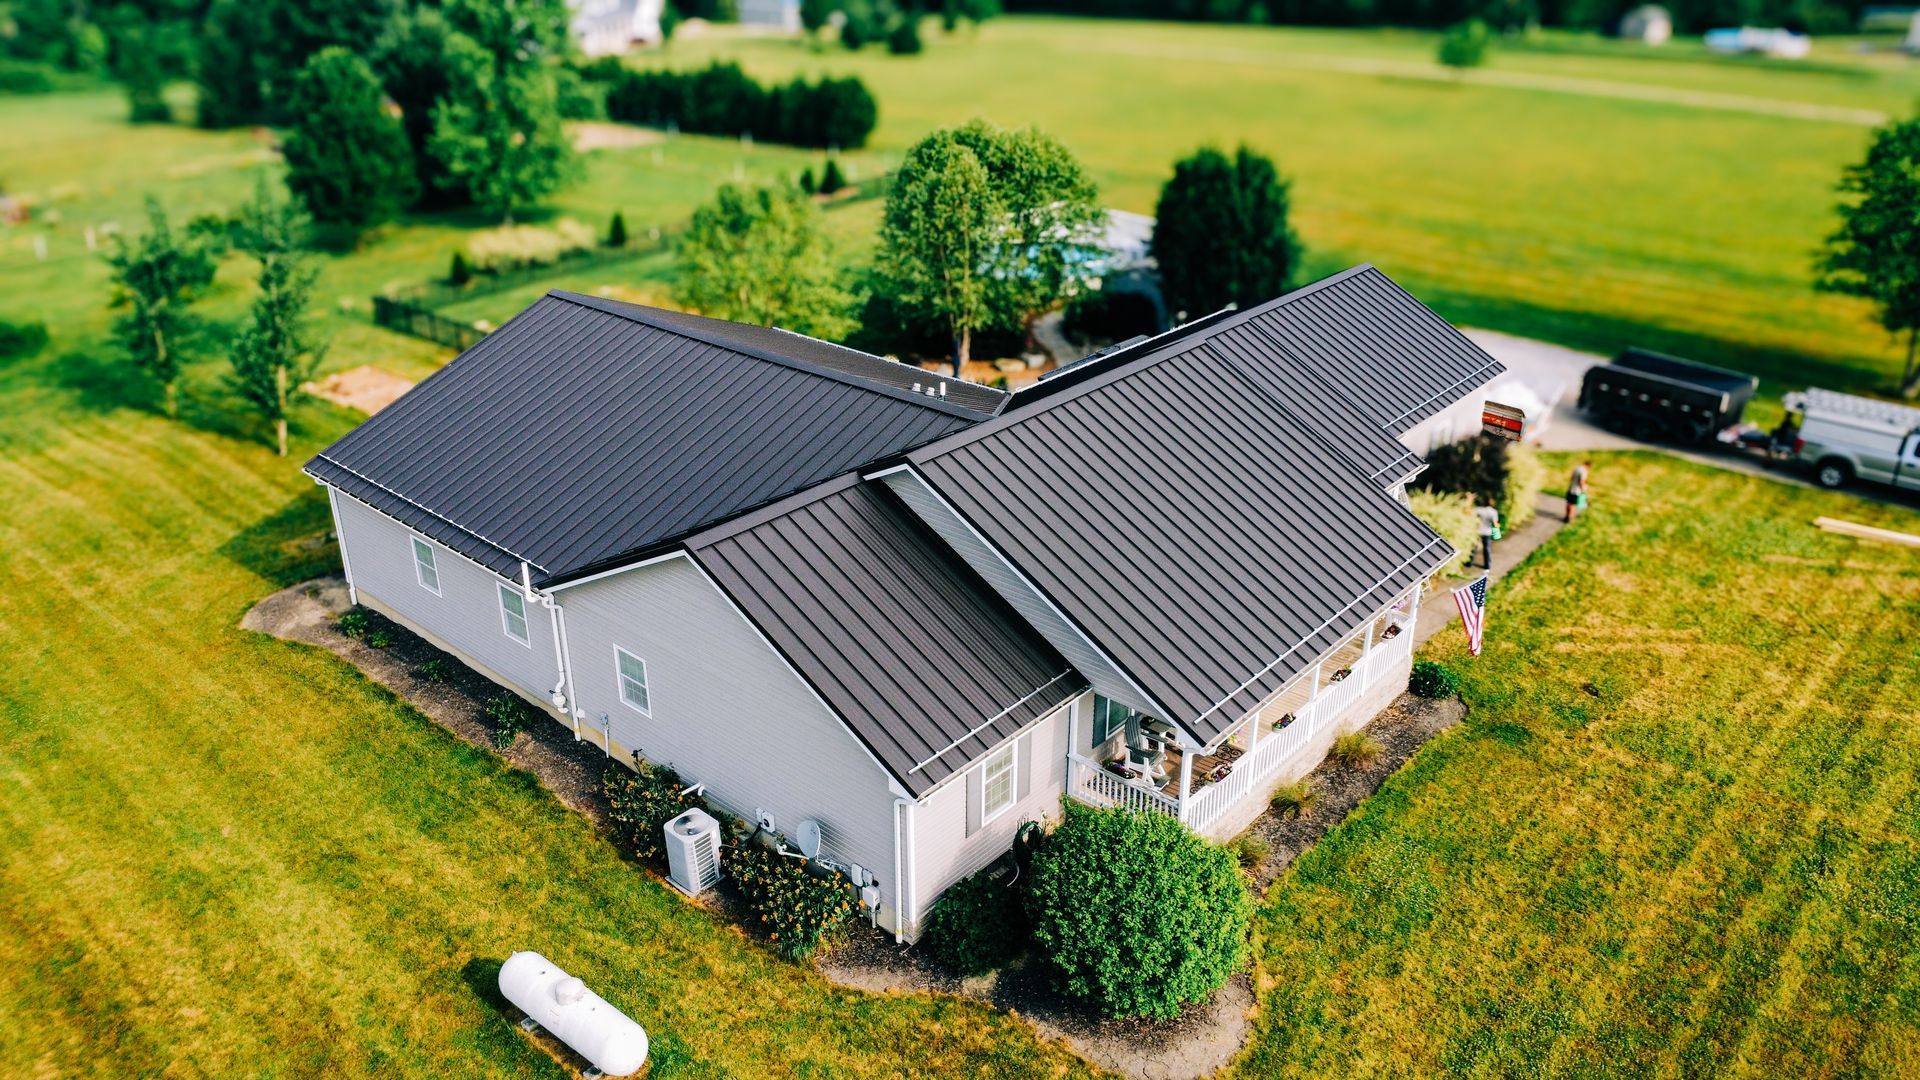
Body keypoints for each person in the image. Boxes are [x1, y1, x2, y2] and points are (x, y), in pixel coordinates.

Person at [1474, 496, 1500, 569]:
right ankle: (1487, 565)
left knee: (1474, 548)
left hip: (1477, 531)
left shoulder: (1478, 509)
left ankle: (1469, 563)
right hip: (1487, 532)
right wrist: (1497, 533)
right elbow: (1495, 524)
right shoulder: (1493, 512)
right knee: (1487, 549)